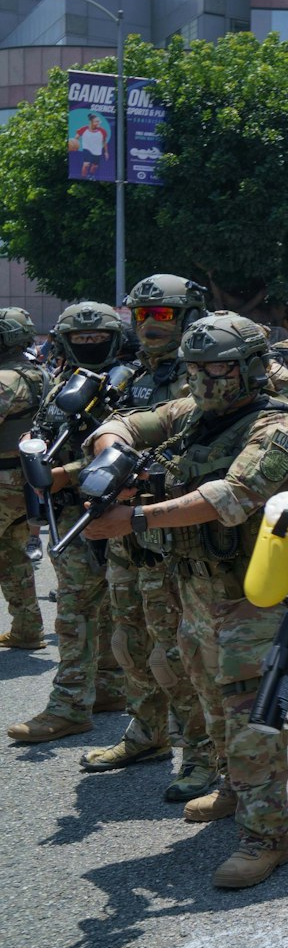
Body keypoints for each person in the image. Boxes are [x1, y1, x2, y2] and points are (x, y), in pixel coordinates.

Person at [71, 311, 288, 886]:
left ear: (251, 369)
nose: (205, 382)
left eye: (219, 371)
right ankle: (234, 789)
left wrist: (133, 517)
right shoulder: (196, 412)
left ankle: (268, 836)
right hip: (197, 588)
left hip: (253, 595)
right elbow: (134, 422)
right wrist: (112, 448)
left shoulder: (279, 428)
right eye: (196, 370)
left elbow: (232, 495)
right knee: (210, 700)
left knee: (251, 715)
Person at [77, 276, 219, 804]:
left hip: (168, 529)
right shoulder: (131, 373)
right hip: (123, 528)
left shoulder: (209, 373)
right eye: (141, 316)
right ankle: (147, 733)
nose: (149, 325)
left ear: (187, 317)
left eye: (162, 316)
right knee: (127, 642)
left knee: (175, 652)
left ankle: (203, 755)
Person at [7, 302, 132, 744]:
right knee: (84, 606)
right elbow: (46, 424)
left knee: (100, 612)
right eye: (80, 340)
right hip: (68, 510)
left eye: (97, 338)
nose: (89, 345)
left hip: (120, 510)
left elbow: (125, 453)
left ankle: (76, 702)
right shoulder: (63, 378)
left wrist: (62, 473)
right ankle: (95, 693)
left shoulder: (133, 382)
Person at [0, 308, 48, 653]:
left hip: (4, 479)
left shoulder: (7, 378)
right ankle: (27, 628)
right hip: (23, 480)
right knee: (11, 554)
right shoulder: (38, 373)